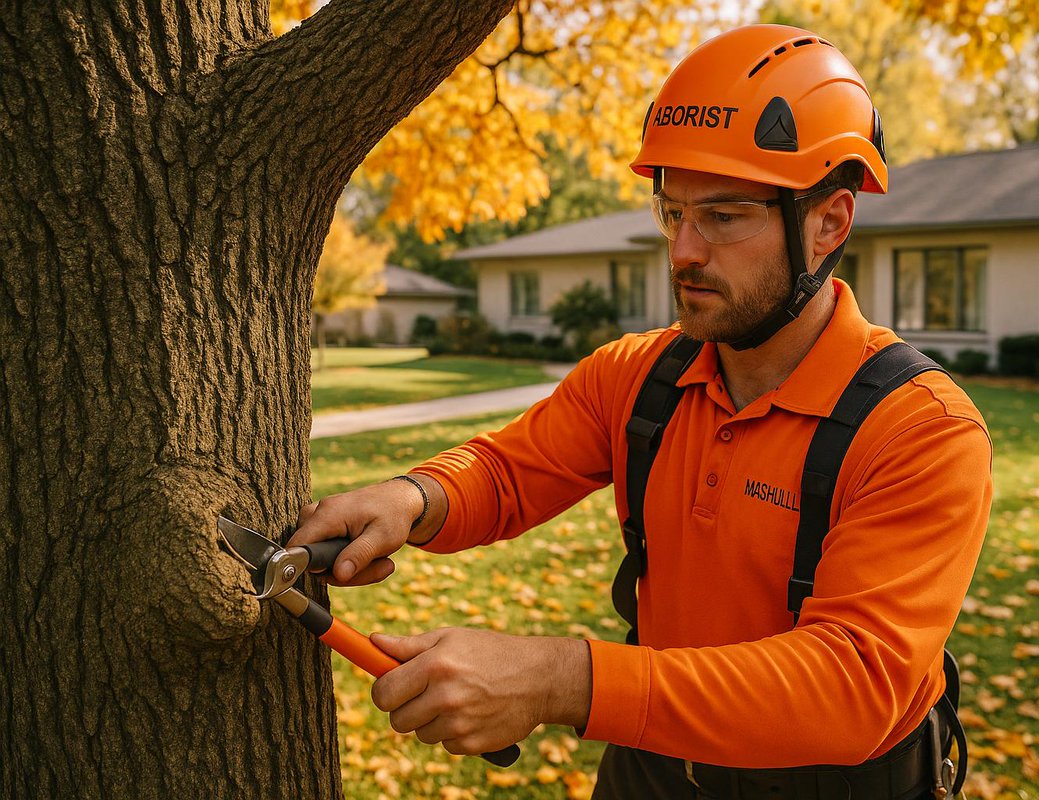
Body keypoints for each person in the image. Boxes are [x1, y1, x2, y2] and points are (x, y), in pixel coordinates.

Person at [291, 23, 991, 799]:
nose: (685, 250)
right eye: (673, 212)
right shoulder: (640, 376)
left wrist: (565, 679)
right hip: (652, 768)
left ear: (828, 223)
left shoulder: (921, 429)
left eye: (725, 216)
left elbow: (852, 685)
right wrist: (415, 498)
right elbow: (508, 471)